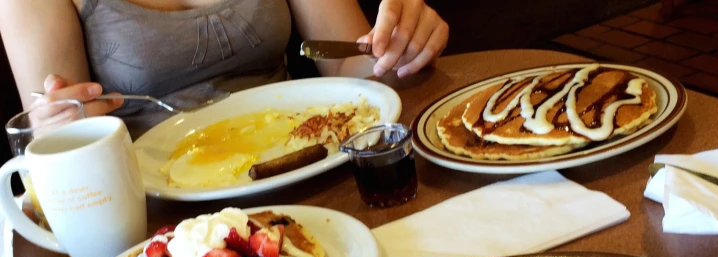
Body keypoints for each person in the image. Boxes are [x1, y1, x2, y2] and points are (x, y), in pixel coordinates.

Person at [1, 0, 448, 135]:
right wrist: (57, 130)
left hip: (303, 162)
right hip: (158, 226)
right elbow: (57, 140)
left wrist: (399, 50)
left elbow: (348, 65)